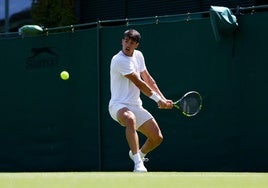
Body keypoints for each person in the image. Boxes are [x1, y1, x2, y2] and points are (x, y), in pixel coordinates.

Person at [108, 29, 173, 172]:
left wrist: (162, 98)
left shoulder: (138, 56)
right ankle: (138, 164)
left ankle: (138, 154)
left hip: (136, 105)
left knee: (157, 137)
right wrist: (157, 101)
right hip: (118, 106)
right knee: (130, 119)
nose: (128, 45)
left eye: (131, 43)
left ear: (136, 45)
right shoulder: (118, 60)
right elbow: (139, 83)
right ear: (122, 41)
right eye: (126, 41)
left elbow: (148, 79)